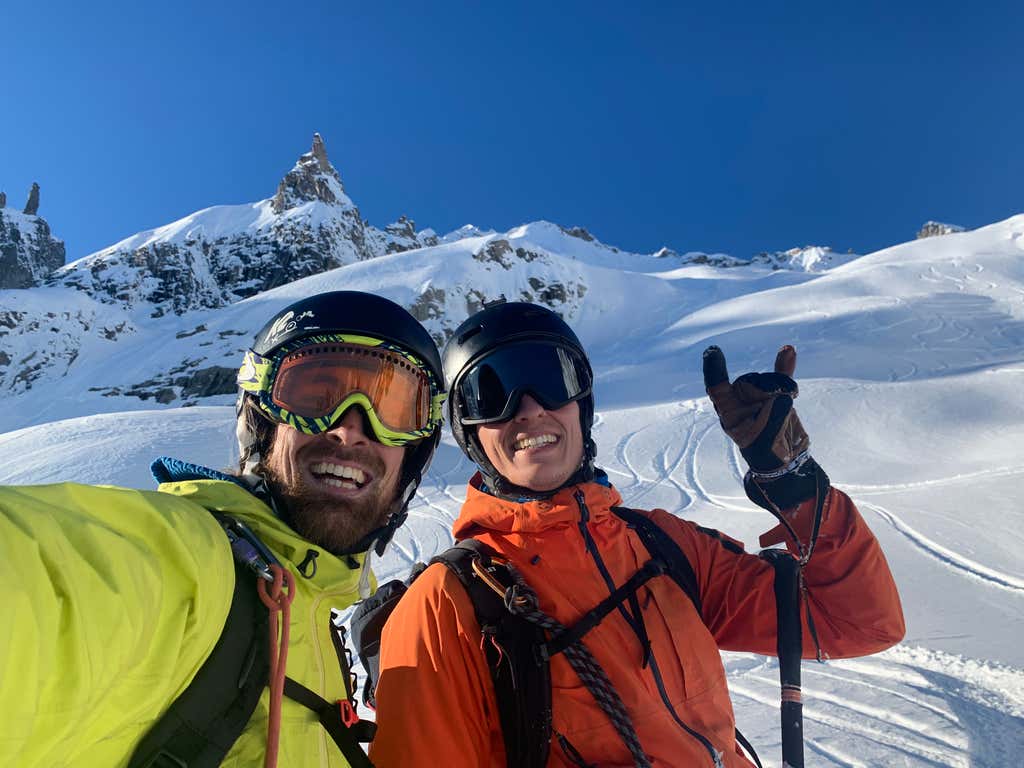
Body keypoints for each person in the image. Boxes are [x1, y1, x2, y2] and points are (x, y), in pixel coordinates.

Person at [368, 301, 905, 768]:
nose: (529, 409)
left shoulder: (662, 546)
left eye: (551, 379)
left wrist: (791, 480)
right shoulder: (449, 604)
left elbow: (858, 622)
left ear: (582, 403)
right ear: (470, 434)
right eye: (491, 393)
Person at [0, 290, 445, 768]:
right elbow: (50, 577)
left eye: (394, 411)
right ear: (262, 424)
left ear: (411, 459)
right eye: (316, 397)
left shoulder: (324, 620)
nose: (349, 429)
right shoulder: (188, 561)